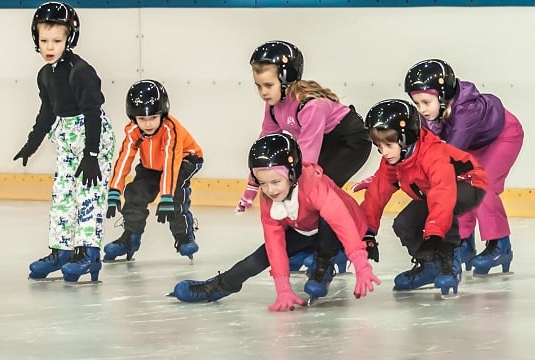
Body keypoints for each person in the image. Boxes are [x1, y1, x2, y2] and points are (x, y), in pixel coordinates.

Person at [171, 133, 380, 309]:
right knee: (256, 259)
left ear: (292, 173)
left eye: (275, 182)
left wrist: (361, 264)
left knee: (328, 222)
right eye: (263, 183)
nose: (270, 190)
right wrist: (283, 290)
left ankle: (323, 264)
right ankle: (219, 285)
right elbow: (274, 245)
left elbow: (342, 222)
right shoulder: (268, 199)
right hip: (305, 231)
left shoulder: (315, 185)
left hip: (342, 233)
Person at [236, 40, 372, 273]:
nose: (263, 92)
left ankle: (334, 252)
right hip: (325, 141)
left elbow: (307, 160)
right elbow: (264, 145)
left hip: (351, 141)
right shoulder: (273, 106)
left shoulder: (311, 106)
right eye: (258, 86)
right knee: (305, 194)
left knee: (317, 192)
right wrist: (252, 182)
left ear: (286, 78)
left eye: (268, 85)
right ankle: (307, 248)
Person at [14, 2, 115, 283]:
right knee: (62, 194)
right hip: (67, 136)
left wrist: (92, 154)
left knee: (88, 195)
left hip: (92, 136)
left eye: (56, 40)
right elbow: (47, 112)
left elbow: (93, 113)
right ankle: (61, 250)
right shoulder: (45, 74)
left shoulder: (80, 71)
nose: (49, 46)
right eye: (44, 40)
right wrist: (32, 144)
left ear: (69, 38)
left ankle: (88, 252)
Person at [405, 59, 523, 275]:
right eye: (416, 104)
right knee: (460, 184)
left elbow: (446, 156)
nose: (421, 110)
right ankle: (464, 242)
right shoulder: (429, 114)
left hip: (503, 136)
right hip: (472, 142)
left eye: (426, 102)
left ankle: (501, 245)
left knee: (481, 184)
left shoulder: (465, 111)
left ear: (442, 97)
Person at [361, 99, 488, 295]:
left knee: (446, 206)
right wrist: (367, 232)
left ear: (405, 139)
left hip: (469, 182)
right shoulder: (393, 161)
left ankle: (449, 261)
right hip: (434, 192)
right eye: (379, 145)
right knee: (403, 223)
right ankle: (429, 264)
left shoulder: (433, 154)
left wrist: (434, 233)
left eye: (388, 144)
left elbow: (443, 194)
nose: (383, 152)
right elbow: (377, 193)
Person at [102, 80, 203, 263]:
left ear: (163, 114)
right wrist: (115, 190)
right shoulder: (133, 130)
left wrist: (165, 196)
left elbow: (170, 163)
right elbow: (125, 158)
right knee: (135, 193)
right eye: (142, 119)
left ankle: (183, 235)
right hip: (153, 165)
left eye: (153, 118)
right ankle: (130, 238)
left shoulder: (171, 129)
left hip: (185, 159)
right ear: (134, 118)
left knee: (175, 194)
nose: (148, 124)